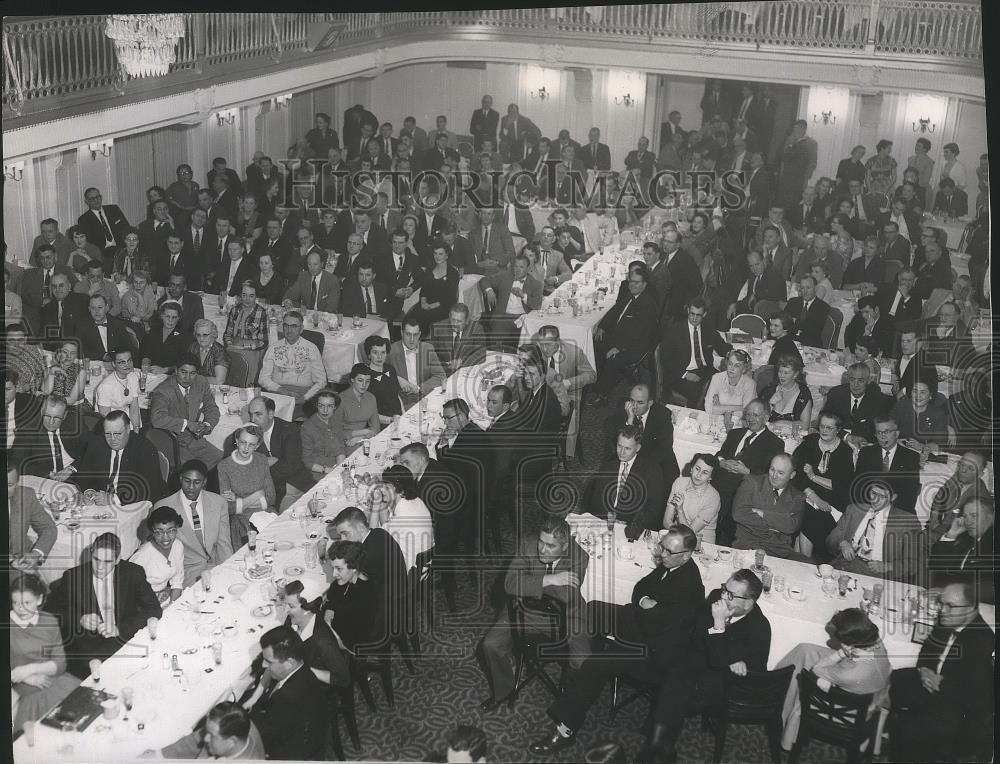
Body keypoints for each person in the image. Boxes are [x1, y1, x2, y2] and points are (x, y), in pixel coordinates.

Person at [528, 526, 704, 755]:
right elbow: (641, 588)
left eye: (669, 551)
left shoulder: (688, 585)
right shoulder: (672, 563)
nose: (661, 554)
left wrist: (643, 607)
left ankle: (565, 729)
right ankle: (581, 666)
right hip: (643, 626)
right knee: (592, 610)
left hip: (654, 652)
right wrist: (644, 602)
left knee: (597, 664)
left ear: (687, 554)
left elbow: (654, 624)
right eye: (662, 547)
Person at [644, 569, 770, 761]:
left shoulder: (758, 628)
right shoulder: (714, 598)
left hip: (731, 682)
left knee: (676, 682)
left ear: (748, 603)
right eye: (724, 589)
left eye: (730, 594)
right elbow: (696, 635)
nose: (722, 596)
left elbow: (719, 661)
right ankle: (659, 748)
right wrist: (727, 654)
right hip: (703, 663)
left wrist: (719, 625)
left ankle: (656, 743)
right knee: (677, 675)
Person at [477, 517, 590, 712]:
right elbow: (509, 584)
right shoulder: (526, 546)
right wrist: (550, 579)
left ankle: (568, 700)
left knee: (582, 660)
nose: (542, 549)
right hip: (523, 611)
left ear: (565, 547)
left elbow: (566, 595)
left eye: (550, 546)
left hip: (567, 616)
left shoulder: (579, 556)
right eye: (541, 541)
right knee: (490, 645)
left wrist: (528, 583)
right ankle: (503, 691)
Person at [888, 582, 994, 763]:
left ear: (970, 609)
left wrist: (938, 683)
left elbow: (975, 694)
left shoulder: (983, 641)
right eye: (941, 603)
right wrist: (924, 670)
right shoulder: (948, 617)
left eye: (950, 605)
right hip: (930, 682)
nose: (942, 610)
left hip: (955, 706)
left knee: (909, 730)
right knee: (895, 678)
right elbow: (929, 648)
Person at [45, 532, 161, 677]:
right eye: (96, 559)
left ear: (118, 559)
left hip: (125, 639)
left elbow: (154, 608)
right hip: (89, 648)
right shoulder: (73, 576)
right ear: (91, 553)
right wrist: (80, 619)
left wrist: (120, 629)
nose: (99, 567)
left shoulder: (133, 573)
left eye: (107, 562)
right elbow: (51, 611)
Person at [776, 608, 891, 751]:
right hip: (870, 690)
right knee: (805, 650)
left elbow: (817, 669)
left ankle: (782, 712)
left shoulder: (849, 673)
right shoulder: (875, 639)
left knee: (804, 679)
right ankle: (780, 687)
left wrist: (840, 653)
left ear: (849, 644)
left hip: (847, 713)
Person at [326, 508, 407, 650]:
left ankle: (343, 664)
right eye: (340, 536)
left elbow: (344, 586)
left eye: (345, 534)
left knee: (321, 620)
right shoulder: (379, 533)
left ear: (360, 527)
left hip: (380, 616)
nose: (343, 540)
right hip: (394, 600)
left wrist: (329, 607)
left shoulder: (365, 557)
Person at [9, 573, 82, 730]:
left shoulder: (48, 620)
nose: (20, 609)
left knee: (82, 718)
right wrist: (23, 678)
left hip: (54, 680)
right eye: (15, 603)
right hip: (25, 690)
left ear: (40, 599)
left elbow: (60, 664)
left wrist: (29, 669)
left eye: (27, 602)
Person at [711, 399, 785, 546]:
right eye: (748, 414)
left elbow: (771, 475)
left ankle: (722, 541)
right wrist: (722, 462)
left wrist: (747, 471)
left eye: (755, 415)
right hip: (720, 482)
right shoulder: (735, 433)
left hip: (744, 488)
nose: (750, 419)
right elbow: (720, 454)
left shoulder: (774, 443)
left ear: (766, 417)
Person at [246, 627, 328, 760]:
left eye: (269, 661)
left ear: (289, 663)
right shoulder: (303, 668)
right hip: (304, 732)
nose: (264, 665)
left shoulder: (286, 697)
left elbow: (265, 736)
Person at [151, 459, 233, 587]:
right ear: (180, 479)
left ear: (204, 482)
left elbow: (224, 542)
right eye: (187, 481)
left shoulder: (219, 502)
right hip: (186, 571)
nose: (191, 487)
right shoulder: (163, 506)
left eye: (197, 482)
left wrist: (228, 569)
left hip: (215, 564)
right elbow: (161, 552)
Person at [826, 478, 924, 583]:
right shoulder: (853, 510)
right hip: (844, 565)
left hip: (878, 575)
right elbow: (830, 540)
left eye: (882, 496)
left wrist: (888, 566)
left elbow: (914, 563)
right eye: (873, 493)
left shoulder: (908, 522)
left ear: (893, 497)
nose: (875, 500)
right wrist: (842, 543)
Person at [588, 265, 659, 405]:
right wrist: (602, 326)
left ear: (644, 285)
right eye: (631, 281)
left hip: (635, 346)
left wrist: (618, 347)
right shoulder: (630, 295)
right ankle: (598, 382)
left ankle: (603, 395)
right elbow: (616, 310)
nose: (632, 284)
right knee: (595, 342)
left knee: (613, 359)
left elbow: (637, 333)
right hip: (620, 337)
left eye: (636, 282)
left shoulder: (647, 305)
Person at [583, 424, 667, 540]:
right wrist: (605, 518)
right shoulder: (609, 465)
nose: (621, 452)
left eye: (627, 448)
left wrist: (631, 526)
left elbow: (654, 508)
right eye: (619, 446)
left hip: (632, 529)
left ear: (638, 448)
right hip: (604, 524)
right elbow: (596, 497)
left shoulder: (651, 470)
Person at [791, 411, 854, 556]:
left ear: (838, 430)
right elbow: (797, 475)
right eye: (822, 426)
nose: (824, 431)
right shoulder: (810, 442)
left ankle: (800, 562)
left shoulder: (845, 452)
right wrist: (814, 497)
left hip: (832, 501)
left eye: (829, 428)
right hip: (806, 494)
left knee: (811, 519)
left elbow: (841, 485)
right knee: (808, 514)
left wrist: (813, 477)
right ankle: (802, 562)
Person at [70, 409, 164, 504]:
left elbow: (147, 488)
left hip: (134, 504)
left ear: (128, 429)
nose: (113, 439)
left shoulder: (145, 448)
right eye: (108, 434)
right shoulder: (97, 443)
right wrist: (89, 491)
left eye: (118, 433)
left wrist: (114, 499)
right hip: (102, 504)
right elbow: (85, 475)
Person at [150, 353, 223, 469]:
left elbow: (211, 408)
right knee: (193, 468)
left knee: (220, 458)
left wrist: (207, 425)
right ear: (175, 370)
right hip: (172, 441)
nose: (187, 378)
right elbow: (157, 419)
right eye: (183, 372)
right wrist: (188, 424)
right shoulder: (163, 390)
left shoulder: (201, 382)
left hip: (194, 439)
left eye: (192, 373)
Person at [243, 395, 313, 511]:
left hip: (294, 482)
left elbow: (291, 466)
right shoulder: (247, 432)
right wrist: (264, 462)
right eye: (251, 414)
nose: (253, 419)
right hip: (270, 486)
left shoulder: (290, 430)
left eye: (258, 414)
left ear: (271, 414)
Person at [731, 453, 806, 559]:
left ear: (792, 475)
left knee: (808, 565)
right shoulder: (751, 482)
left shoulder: (797, 496)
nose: (774, 476)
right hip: (748, 544)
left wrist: (762, 513)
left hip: (780, 550)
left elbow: (791, 526)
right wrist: (777, 525)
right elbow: (739, 513)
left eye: (780, 473)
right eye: (772, 470)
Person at [660, 297, 731, 408]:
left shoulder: (708, 328)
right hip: (680, 374)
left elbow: (722, 347)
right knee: (702, 393)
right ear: (688, 311)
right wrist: (685, 374)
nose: (694, 318)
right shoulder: (674, 330)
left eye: (698, 315)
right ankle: (696, 417)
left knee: (726, 384)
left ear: (704, 314)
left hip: (705, 370)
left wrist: (733, 354)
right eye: (692, 313)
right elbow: (665, 359)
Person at [219, 423, 276, 549]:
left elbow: (271, 498)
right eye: (243, 442)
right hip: (240, 519)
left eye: (251, 445)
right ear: (237, 441)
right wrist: (257, 495)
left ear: (257, 446)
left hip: (266, 512)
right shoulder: (224, 466)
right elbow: (228, 508)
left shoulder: (261, 460)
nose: (246, 448)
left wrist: (238, 499)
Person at [928, 497, 995, 604]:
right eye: (965, 516)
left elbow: (990, 588)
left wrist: (950, 592)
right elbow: (934, 564)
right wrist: (951, 534)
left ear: (991, 517)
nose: (968, 521)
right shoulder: (966, 538)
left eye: (974, 515)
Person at [258, 309, 326, 411]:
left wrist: (305, 398)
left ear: (301, 329)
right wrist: (280, 390)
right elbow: (263, 379)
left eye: (294, 326)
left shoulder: (311, 348)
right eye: (286, 326)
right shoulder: (273, 348)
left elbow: (321, 381)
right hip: (277, 393)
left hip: (302, 395)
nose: (289, 330)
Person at [368, 465, 434, 569]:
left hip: (408, 571)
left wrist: (376, 504)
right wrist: (382, 501)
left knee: (368, 555)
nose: (382, 490)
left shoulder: (403, 515)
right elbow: (385, 523)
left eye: (386, 487)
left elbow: (372, 536)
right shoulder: (416, 501)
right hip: (424, 564)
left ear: (399, 489)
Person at [319, 539, 379, 652]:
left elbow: (348, 636)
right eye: (333, 568)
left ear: (354, 567)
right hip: (341, 626)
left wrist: (326, 615)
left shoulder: (363, 597)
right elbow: (334, 589)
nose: (334, 574)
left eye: (339, 569)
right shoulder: (353, 577)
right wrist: (330, 608)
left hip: (350, 641)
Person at [854, 416, 921, 514]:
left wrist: (887, 511)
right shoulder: (866, 453)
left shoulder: (911, 457)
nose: (882, 436)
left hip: (897, 510)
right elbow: (858, 486)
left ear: (897, 434)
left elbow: (910, 494)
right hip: (869, 508)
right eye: (879, 432)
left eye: (887, 432)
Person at [13, 393, 88, 481]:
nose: (51, 422)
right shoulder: (28, 430)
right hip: (45, 479)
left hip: (75, 474)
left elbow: (91, 446)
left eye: (57, 417)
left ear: (64, 415)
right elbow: (17, 463)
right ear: (41, 411)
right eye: (47, 416)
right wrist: (48, 474)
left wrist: (71, 468)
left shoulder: (74, 422)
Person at [158, 701, 266, 760]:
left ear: (231, 742)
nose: (205, 738)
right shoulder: (240, 723)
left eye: (211, 735)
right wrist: (159, 754)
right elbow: (195, 740)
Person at [129, 505, 185, 606]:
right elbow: (127, 592)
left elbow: (177, 582)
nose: (166, 537)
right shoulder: (142, 556)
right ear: (152, 531)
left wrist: (172, 605)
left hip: (165, 596)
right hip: (142, 603)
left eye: (171, 530)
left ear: (177, 528)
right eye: (159, 532)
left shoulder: (177, 545)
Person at [823, 362, 891, 445]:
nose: (856, 384)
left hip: (864, 444)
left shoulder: (878, 400)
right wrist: (847, 436)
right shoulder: (836, 394)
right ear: (848, 379)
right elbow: (823, 422)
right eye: (852, 379)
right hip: (837, 439)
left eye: (860, 380)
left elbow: (880, 429)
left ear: (868, 380)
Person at [926, 451, 991, 537]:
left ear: (980, 474)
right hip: (940, 528)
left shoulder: (981, 500)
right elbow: (942, 493)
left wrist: (946, 536)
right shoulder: (958, 477)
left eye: (970, 468)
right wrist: (934, 516)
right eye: (961, 465)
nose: (962, 470)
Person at [7, 462, 58, 571]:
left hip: (22, 561)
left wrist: (36, 554)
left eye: (9, 485)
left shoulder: (26, 495)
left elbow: (48, 528)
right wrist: (11, 561)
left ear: (17, 483)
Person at [387, 318, 446, 410]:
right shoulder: (391, 351)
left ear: (419, 334)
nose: (412, 339)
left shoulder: (428, 348)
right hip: (402, 401)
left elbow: (441, 376)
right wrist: (397, 379)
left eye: (415, 335)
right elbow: (379, 374)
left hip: (425, 396)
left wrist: (419, 388)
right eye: (408, 334)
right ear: (402, 333)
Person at [663, 454, 722, 545]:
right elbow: (667, 520)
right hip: (677, 535)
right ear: (691, 468)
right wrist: (675, 535)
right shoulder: (679, 483)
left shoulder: (713, 497)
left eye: (705, 472)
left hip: (702, 543)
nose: (698, 475)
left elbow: (689, 534)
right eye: (697, 469)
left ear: (710, 477)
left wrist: (680, 510)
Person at [222, 281, 269, 382]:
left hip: (252, 350)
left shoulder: (261, 313)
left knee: (247, 376)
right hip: (234, 346)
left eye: (251, 296)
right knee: (227, 373)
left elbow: (264, 341)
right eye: (244, 295)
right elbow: (228, 334)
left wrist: (246, 346)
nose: (247, 299)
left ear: (256, 297)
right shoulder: (234, 310)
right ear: (240, 295)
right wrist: (230, 344)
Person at [892, 380, 951, 451]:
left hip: (925, 454)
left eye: (923, 392)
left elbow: (939, 445)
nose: (918, 396)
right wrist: (895, 441)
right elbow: (887, 430)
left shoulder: (938, 414)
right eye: (915, 391)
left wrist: (922, 446)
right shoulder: (901, 406)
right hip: (899, 450)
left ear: (930, 396)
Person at [301, 388, 347, 478]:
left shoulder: (336, 420)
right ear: (317, 406)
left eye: (329, 406)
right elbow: (307, 461)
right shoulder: (307, 428)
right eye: (321, 406)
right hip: (319, 471)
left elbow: (340, 448)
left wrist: (340, 467)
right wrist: (327, 470)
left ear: (335, 407)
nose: (325, 410)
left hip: (336, 465)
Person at [728, 250, 786, 318]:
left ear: (764, 261)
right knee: (731, 307)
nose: (754, 269)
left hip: (772, 311)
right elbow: (749, 297)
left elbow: (775, 295)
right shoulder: (752, 276)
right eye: (751, 266)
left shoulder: (773, 274)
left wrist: (756, 294)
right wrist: (735, 305)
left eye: (757, 264)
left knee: (760, 306)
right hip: (756, 309)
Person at [761, 353, 812, 430]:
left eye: (786, 373)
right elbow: (758, 418)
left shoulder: (803, 393)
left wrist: (779, 423)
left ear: (795, 374)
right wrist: (770, 404)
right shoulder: (770, 389)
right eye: (780, 371)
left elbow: (805, 425)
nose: (782, 376)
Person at [704, 349, 756, 419]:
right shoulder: (717, 378)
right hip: (716, 420)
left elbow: (747, 413)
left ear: (744, 369)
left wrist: (719, 408)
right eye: (730, 364)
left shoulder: (750, 384)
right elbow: (708, 408)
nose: (732, 368)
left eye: (737, 365)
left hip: (738, 423)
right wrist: (738, 408)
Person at [364, 335, 402, 424]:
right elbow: (367, 413)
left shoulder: (390, 369)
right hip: (380, 423)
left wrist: (403, 415)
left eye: (383, 352)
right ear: (369, 354)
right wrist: (391, 420)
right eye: (375, 352)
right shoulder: (365, 377)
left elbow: (397, 397)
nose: (380, 357)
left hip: (398, 419)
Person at [42, 339, 86, 406]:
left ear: (76, 355)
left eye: (73, 353)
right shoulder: (49, 369)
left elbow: (71, 401)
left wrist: (51, 401)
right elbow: (45, 392)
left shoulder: (81, 372)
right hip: (52, 408)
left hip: (74, 409)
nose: (69, 356)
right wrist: (51, 373)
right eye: (65, 352)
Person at [187, 318, 229, 384]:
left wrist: (195, 378)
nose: (201, 338)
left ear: (213, 334)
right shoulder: (193, 347)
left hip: (215, 389)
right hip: (194, 386)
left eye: (205, 335)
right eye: (198, 335)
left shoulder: (219, 351)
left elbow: (219, 381)